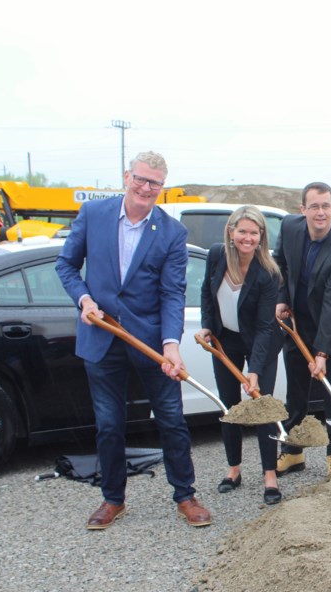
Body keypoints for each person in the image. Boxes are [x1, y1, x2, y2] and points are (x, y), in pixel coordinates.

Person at [56, 151, 211, 529]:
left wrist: (170, 344)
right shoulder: (95, 216)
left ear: (162, 187)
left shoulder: (172, 233)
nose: (146, 188)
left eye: (154, 183)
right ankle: (113, 499)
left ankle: (185, 495)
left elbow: (172, 293)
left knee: (172, 419)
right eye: (140, 179)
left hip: (151, 343)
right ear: (127, 176)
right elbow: (66, 265)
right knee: (109, 424)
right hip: (101, 336)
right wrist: (84, 298)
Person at [195, 206, 285, 505]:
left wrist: (255, 370)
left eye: (254, 233)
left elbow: (264, 326)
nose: (248, 238)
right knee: (229, 405)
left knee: (263, 406)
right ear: (231, 232)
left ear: (261, 237)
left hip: (261, 342)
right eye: (243, 231)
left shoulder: (268, 273)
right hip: (226, 341)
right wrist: (208, 327)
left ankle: (269, 474)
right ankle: (234, 469)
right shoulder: (216, 256)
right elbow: (207, 294)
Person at [274, 182, 331, 478]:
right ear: (303, 210)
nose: (320, 212)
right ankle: (293, 452)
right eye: (314, 206)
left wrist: (322, 351)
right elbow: (280, 263)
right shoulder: (289, 228)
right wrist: (283, 298)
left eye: (326, 206)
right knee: (296, 396)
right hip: (298, 326)